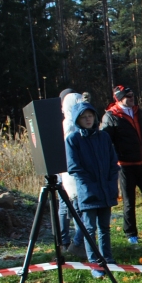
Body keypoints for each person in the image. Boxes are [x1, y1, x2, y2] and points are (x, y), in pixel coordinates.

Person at [100, 86, 142, 245]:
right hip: (125, 166)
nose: (131, 98)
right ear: (119, 98)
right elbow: (105, 143)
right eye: (127, 96)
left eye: (132, 95)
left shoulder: (139, 112)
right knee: (129, 202)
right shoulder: (111, 116)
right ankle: (131, 234)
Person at [65, 98, 119, 279]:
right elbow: (74, 167)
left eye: (90, 116)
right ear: (77, 120)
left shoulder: (103, 136)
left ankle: (108, 260)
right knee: (89, 228)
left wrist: (111, 182)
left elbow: (113, 162)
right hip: (87, 192)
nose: (88, 119)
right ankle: (95, 264)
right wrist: (90, 186)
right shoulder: (73, 140)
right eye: (84, 117)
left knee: (104, 227)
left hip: (106, 189)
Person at [58, 90, 85, 257]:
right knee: (78, 209)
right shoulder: (70, 127)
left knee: (69, 208)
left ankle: (69, 241)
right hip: (72, 174)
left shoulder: (65, 124)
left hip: (67, 172)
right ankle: (77, 242)